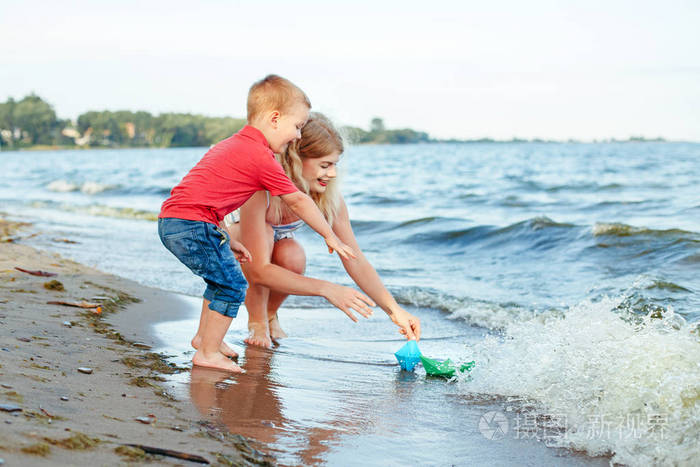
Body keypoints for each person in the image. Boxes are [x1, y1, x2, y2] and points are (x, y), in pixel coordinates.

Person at [158, 76, 372, 373]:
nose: (297, 136)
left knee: (219, 280)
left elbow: (204, 192)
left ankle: (205, 339)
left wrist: (222, 234)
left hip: (180, 220)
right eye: (297, 127)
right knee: (232, 284)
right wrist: (329, 236)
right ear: (274, 118)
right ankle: (207, 352)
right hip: (192, 224)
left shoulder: (232, 145)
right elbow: (298, 200)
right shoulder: (260, 156)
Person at [225, 112, 421, 348]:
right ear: (295, 159)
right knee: (265, 238)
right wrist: (327, 289)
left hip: (274, 241)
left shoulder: (327, 197)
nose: (332, 174)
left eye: (335, 164)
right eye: (325, 165)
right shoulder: (261, 189)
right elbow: (257, 271)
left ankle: (269, 313)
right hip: (233, 239)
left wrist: (394, 310)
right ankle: (257, 321)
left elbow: (354, 257)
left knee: (293, 255)